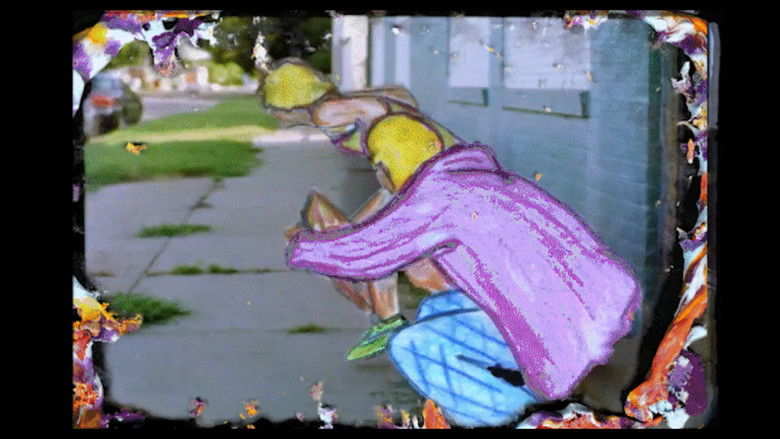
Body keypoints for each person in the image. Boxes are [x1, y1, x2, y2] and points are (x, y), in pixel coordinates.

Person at [260, 59, 641, 426]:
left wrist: (302, 246)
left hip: (563, 332)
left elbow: (366, 253)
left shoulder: (437, 200)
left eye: (379, 166)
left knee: (410, 346)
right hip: (597, 305)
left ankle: (521, 418)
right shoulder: (483, 179)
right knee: (435, 308)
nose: (380, 175)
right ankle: (526, 385)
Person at [260, 58, 461, 361]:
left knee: (375, 247)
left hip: (418, 175)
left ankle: (398, 320)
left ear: (288, 105)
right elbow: (403, 99)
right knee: (361, 240)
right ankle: (388, 318)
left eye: (277, 110)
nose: (277, 117)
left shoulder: (326, 113)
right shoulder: (347, 103)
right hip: (421, 168)